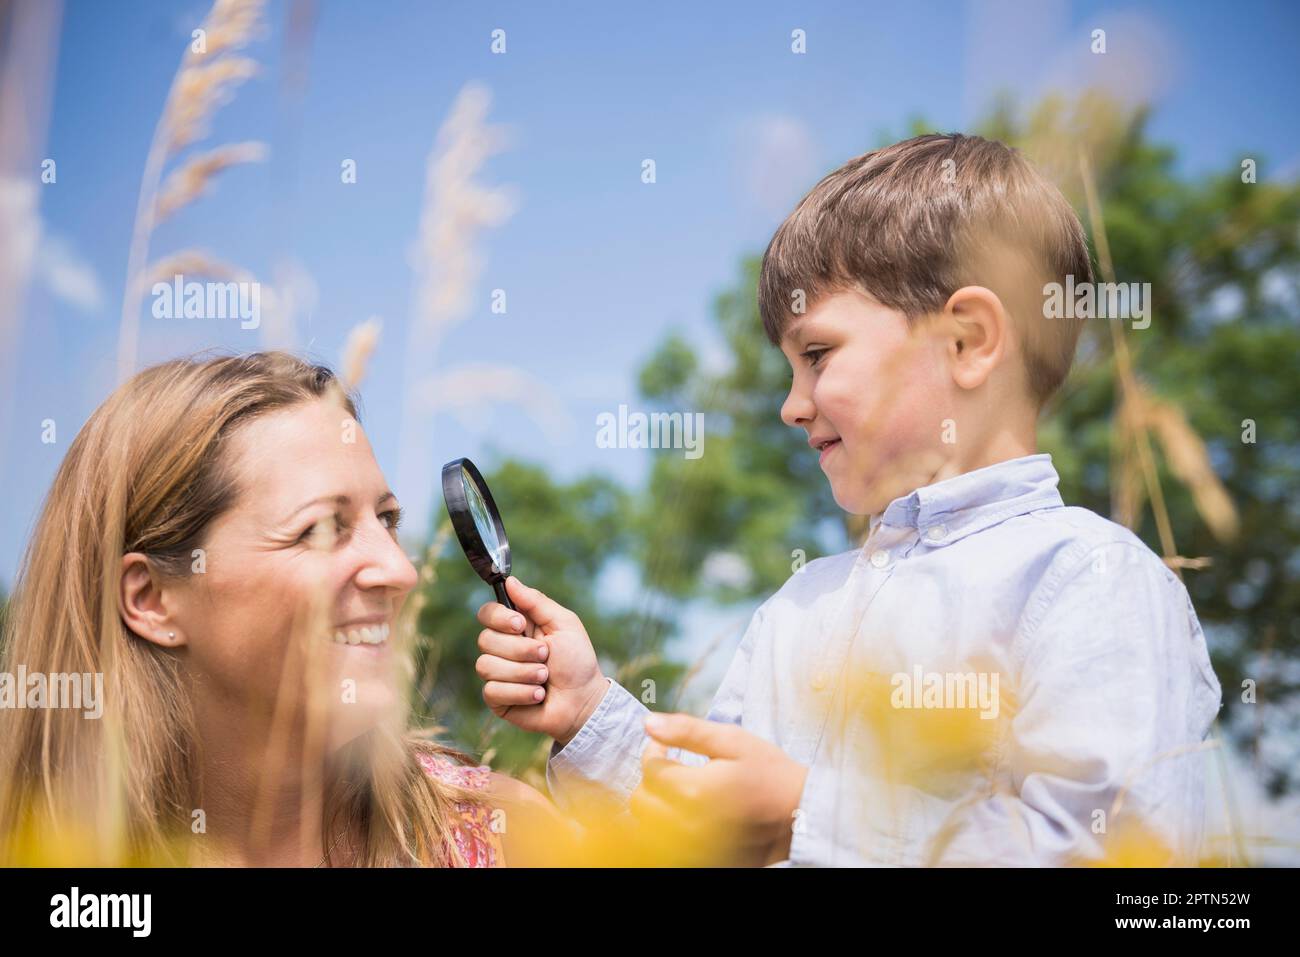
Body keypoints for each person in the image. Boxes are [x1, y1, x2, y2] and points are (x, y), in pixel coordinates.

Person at [472, 133, 1224, 866]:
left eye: (818, 354)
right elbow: (701, 818)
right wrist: (588, 710)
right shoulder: (799, 605)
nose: (791, 405)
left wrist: (805, 813)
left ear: (967, 340)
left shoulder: (1088, 580)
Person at [0, 351, 559, 867]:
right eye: (318, 529)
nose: (400, 572)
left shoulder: (500, 836)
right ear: (151, 600)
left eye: (386, 519)